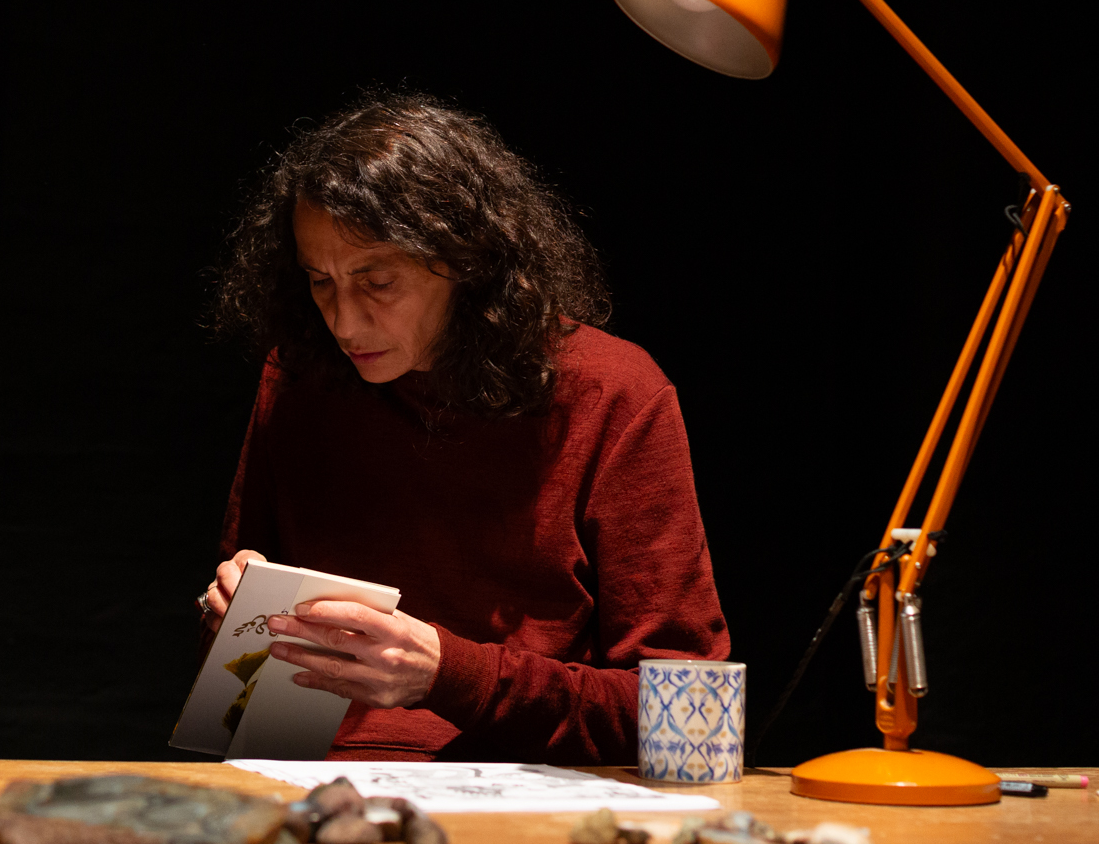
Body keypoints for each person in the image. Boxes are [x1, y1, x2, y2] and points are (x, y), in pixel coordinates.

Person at [199, 95, 727, 763]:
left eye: (376, 281)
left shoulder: (612, 392)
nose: (344, 322)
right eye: (320, 282)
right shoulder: (303, 376)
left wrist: (448, 674)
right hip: (315, 794)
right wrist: (236, 627)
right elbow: (236, 706)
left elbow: (693, 721)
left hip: (530, 814)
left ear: (463, 261)